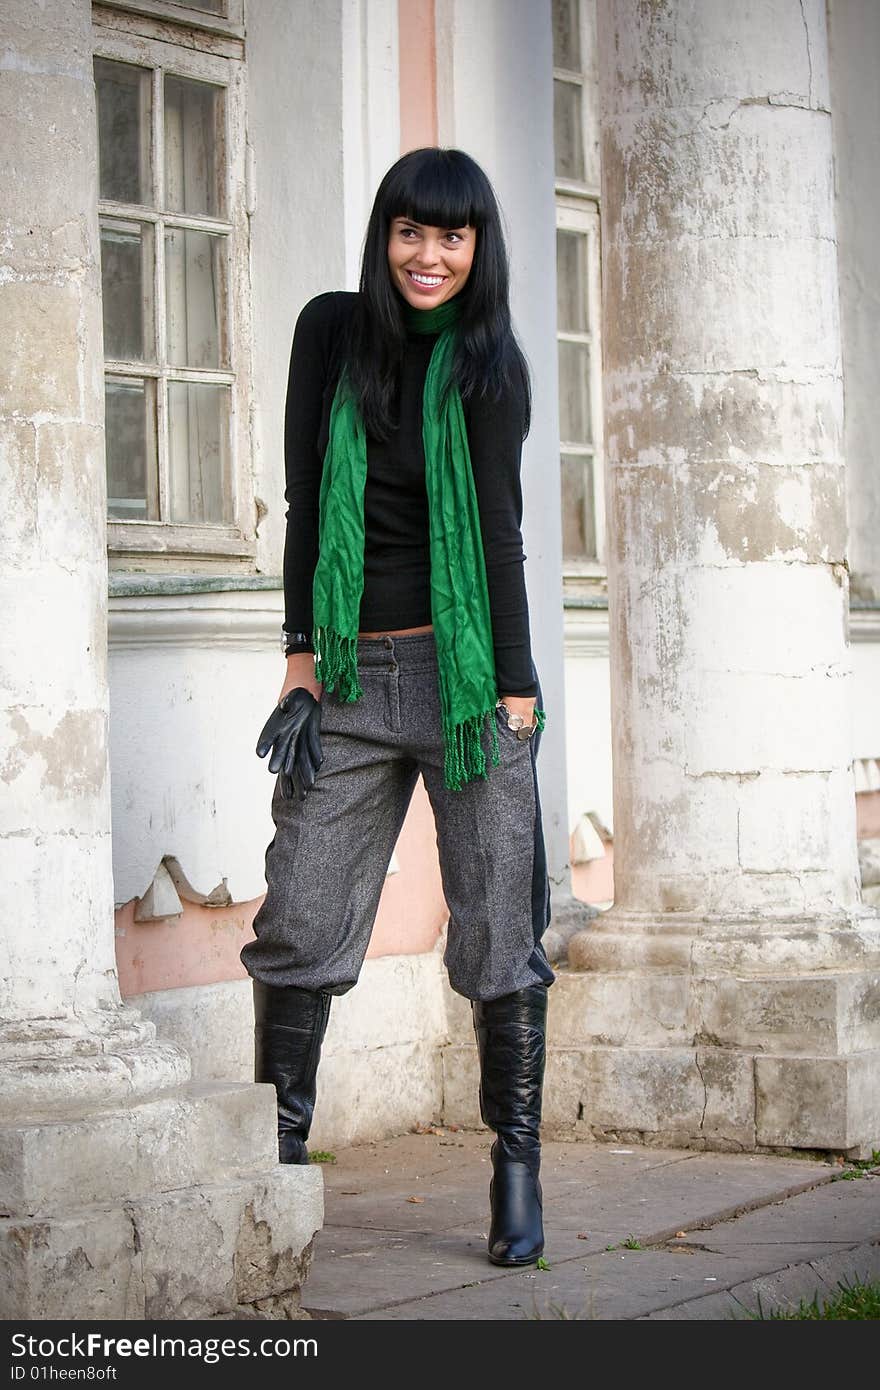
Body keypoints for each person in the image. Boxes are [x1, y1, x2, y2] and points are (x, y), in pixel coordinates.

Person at [241, 147, 554, 1268]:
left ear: (478, 249)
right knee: (300, 918)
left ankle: (513, 1163)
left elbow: (503, 535)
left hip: (464, 683)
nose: (430, 255)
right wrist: (298, 661)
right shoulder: (329, 334)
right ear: (384, 238)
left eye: (452, 236)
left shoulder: (491, 366)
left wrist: (515, 697)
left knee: (495, 929)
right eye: (411, 232)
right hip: (346, 673)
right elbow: (299, 501)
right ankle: (277, 1165)